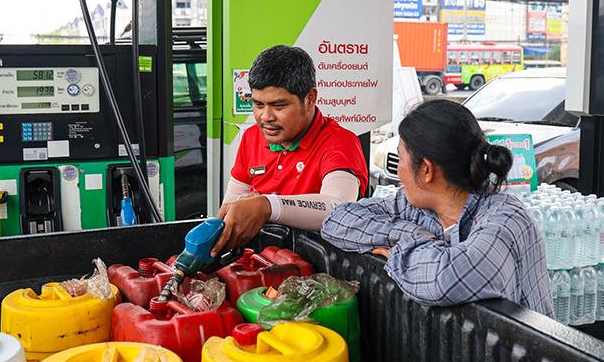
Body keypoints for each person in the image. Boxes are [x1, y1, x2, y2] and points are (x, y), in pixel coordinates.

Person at [320, 99, 555, 318]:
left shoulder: (506, 219)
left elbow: (444, 278)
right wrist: (414, 234)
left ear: (426, 170)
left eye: (400, 159)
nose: (399, 170)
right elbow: (337, 220)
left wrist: (403, 251)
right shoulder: (418, 207)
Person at [210, 44, 368, 256]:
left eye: (278, 106)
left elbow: (337, 207)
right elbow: (229, 209)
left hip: (319, 269)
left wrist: (267, 206)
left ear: (310, 99)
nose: (266, 117)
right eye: (258, 105)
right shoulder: (251, 138)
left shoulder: (339, 142)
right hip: (261, 262)